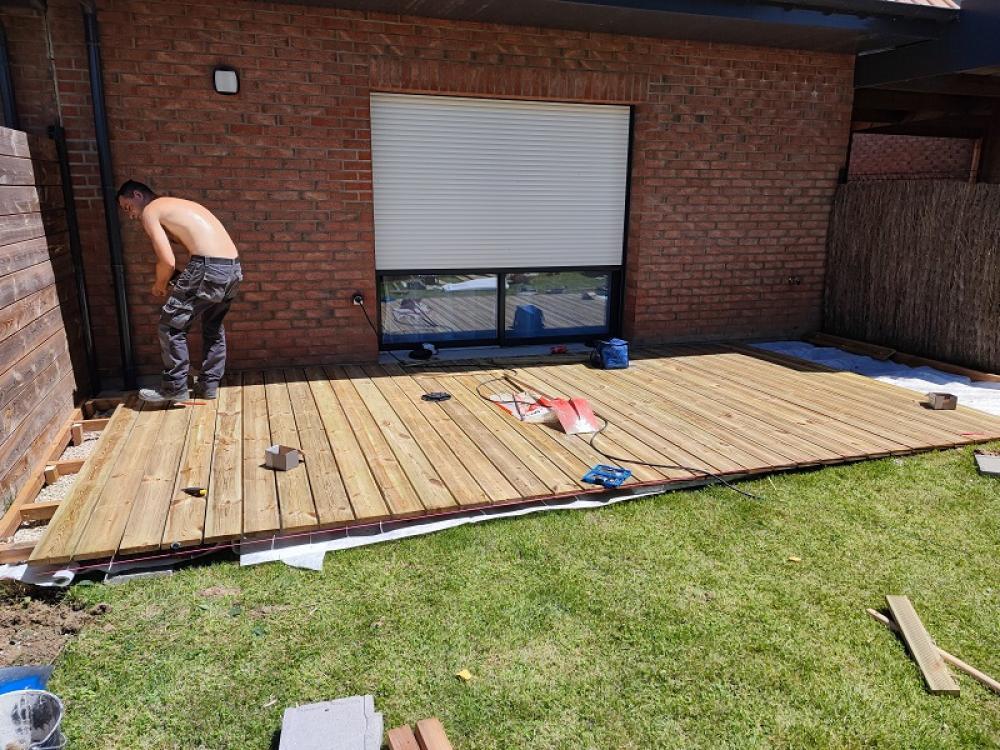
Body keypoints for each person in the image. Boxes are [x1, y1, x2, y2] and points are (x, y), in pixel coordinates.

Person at [117, 180, 242, 403]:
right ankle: (209, 386)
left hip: (208, 267)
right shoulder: (178, 204)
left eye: (128, 207)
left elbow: (167, 261)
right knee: (212, 327)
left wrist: (159, 284)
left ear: (137, 195)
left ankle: (174, 387)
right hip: (232, 269)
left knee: (170, 326)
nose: (131, 215)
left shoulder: (152, 210)